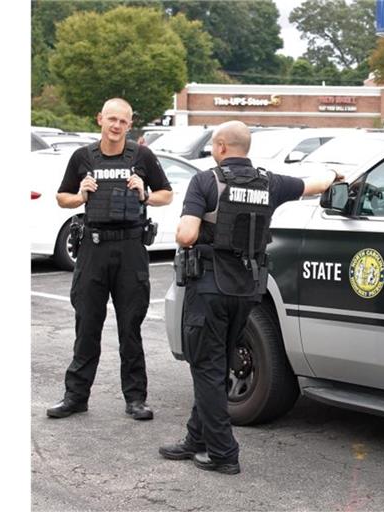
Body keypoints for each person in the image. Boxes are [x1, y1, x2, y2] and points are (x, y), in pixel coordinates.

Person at [159, 121, 341, 474]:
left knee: (206, 369)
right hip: (248, 291)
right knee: (217, 364)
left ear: (222, 146)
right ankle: (195, 439)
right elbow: (313, 185)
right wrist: (335, 174)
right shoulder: (269, 181)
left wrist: (190, 231)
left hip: (210, 289)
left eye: (214, 144)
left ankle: (223, 453)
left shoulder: (206, 181)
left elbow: (186, 234)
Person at [47, 98, 173, 421]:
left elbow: (166, 194)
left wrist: (145, 192)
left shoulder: (142, 156)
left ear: (130, 125)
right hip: (93, 248)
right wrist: (80, 195)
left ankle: (135, 399)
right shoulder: (82, 157)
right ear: (100, 119)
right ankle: (76, 396)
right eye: (111, 119)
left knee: (130, 327)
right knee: (86, 324)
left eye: (123, 121)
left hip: (131, 249)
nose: (116, 126)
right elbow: (62, 197)